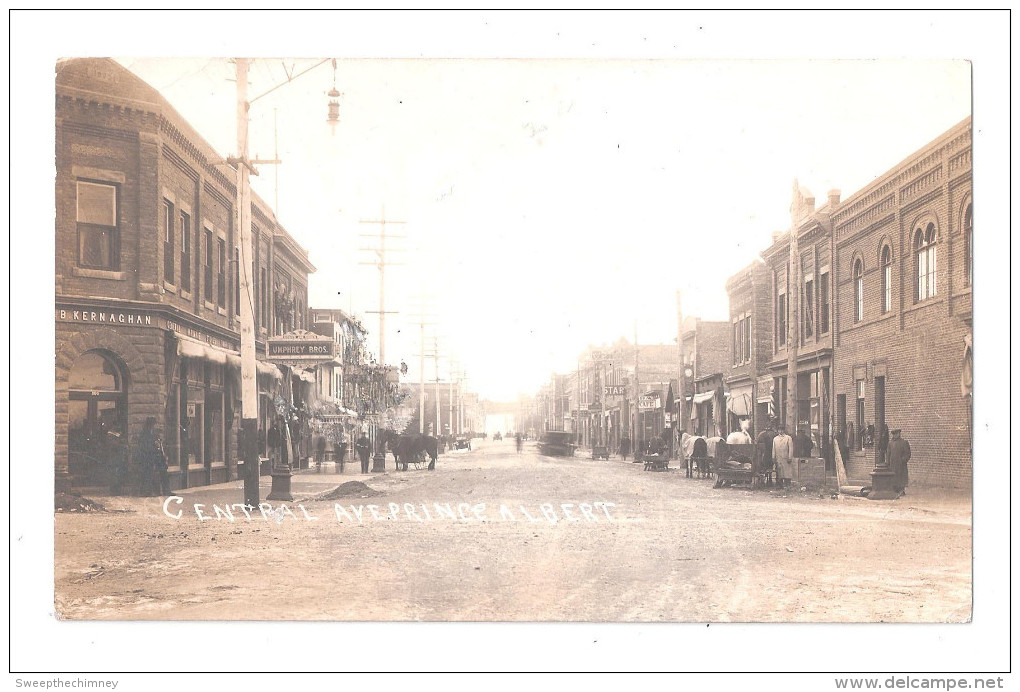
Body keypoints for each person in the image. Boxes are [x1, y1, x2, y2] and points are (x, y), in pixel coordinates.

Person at [136, 417, 170, 496]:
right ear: (151, 425)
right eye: (155, 424)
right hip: (147, 457)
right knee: (148, 473)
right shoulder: (145, 434)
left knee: (164, 470)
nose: (156, 426)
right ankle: (147, 491)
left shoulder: (153, 434)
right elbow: (146, 447)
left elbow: (157, 446)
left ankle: (166, 490)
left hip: (155, 457)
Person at [888, 429, 912, 494]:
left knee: (901, 476)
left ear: (899, 434)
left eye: (897, 434)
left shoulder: (904, 442)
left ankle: (901, 489)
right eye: (894, 434)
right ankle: (895, 489)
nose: (896, 435)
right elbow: (888, 454)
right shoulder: (890, 443)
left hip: (901, 464)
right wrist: (888, 463)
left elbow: (908, 453)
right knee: (894, 477)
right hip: (893, 464)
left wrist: (903, 460)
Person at [756, 421, 778, 487]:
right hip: (770, 453)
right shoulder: (774, 434)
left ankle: (766, 479)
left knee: (765, 466)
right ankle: (770, 479)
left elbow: (758, 445)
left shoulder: (761, 434)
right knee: (771, 466)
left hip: (764, 453)